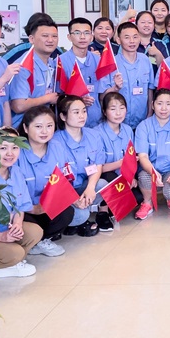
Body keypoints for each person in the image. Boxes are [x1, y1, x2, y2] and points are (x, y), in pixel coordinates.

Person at [16, 106, 73, 257]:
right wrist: (32, 208)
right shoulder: (16, 152)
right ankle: (32, 240)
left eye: (49, 126)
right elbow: (12, 191)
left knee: (70, 212)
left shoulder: (57, 147)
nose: (44, 131)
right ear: (26, 128)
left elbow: (65, 178)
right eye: (38, 126)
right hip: (23, 209)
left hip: (47, 205)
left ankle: (43, 241)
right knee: (24, 222)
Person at [0, 127, 42, 278]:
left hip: (6, 228)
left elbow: (20, 207)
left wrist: (17, 224)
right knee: (16, 253)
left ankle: (9, 261)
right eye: (3, 148)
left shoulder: (16, 172)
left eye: (15, 147)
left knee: (35, 232)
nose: (10, 153)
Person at [50, 95, 106, 236]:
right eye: (76, 112)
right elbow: (56, 180)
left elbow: (98, 165)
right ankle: (78, 218)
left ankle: (81, 214)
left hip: (82, 187)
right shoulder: (54, 141)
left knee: (102, 185)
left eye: (84, 111)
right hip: (63, 192)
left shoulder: (94, 135)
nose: (82, 116)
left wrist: (90, 188)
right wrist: (74, 200)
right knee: (80, 215)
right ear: (63, 116)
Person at [134, 88, 170, 218]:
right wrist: (152, 171)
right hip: (150, 169)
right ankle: (147, 202)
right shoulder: (143, 126)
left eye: (168, 104)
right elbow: (143, 156)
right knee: (144, 177)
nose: (163, 108)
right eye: (159, 103)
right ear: (153, 105)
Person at [99, 21, 154, 130]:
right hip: (117, 124)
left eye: (135, 37)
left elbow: (150, 89)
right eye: (127, 37)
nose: (132, 41)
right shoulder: (111, 63)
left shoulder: (145, 60)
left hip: (142, 123)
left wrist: (149, 115)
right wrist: (115, 88)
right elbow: (101, 97)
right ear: (118, 40)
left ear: (140, 38)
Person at [9, 16, 60, 128]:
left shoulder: (53, 63)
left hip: (45, 125)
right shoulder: (23, 66)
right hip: (23, 128)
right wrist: (48, 98)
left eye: (54, 36)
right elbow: (18, 106)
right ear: (31, 39)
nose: (50, 40)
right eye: (45, 36)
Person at [96, 92, 136, 225]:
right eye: (113, 109)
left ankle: (115, 205)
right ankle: (103, 210)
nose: (118, 113)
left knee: (138, 197)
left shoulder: (128, 130)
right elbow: (99, 168)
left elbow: (132, 158)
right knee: (109, 178)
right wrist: (121, 163)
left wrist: (131, 177)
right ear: (104, 111)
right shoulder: (97, 133)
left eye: (122, 108)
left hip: (123, 175)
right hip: (105, 175)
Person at [58, 17, 103, 128]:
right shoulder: (60, 62)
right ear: (69, 37)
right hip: (70, 124)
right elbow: (57, 96)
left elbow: (103, 92)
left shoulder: (98, 61)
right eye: (77, 33)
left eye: (86, 33)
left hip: (96, 122)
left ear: (92, 36)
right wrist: (78, 100)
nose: (82, 37)